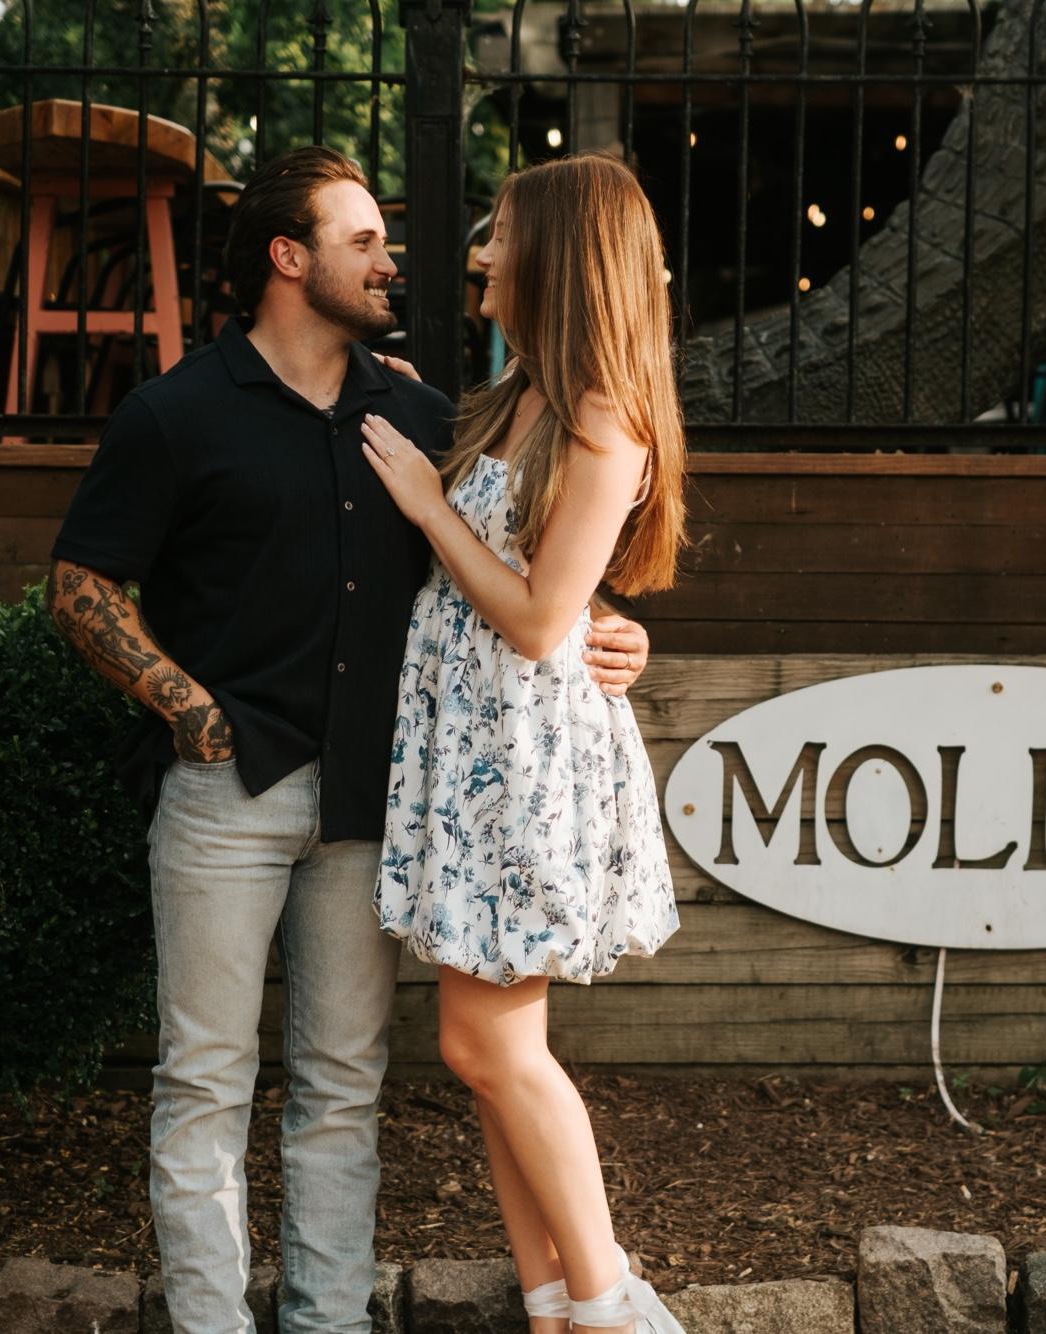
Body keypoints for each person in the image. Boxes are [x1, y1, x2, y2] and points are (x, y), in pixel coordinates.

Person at [45, 145, 651, 1334]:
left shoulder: (420, 410)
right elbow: (77, 584)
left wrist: (613, 631)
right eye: (362, 239)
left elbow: (524, 564)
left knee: (340, 1087)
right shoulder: (177, 412)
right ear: (289, 258)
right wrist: (192, 710)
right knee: (205, 1081)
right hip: (231, 789)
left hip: (375, 804)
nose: (395, 258)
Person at [359, 154, 686, 1334]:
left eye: (498, 234)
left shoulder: (604, 416)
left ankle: (605, 1301)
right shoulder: (518, 394)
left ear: (555, 254)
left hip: (526, 755)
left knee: (485, 1042)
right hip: (473, 743)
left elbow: (546, 616)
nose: (481, 252)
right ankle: (550, 1299)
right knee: (482, 1047)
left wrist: (424, 504)